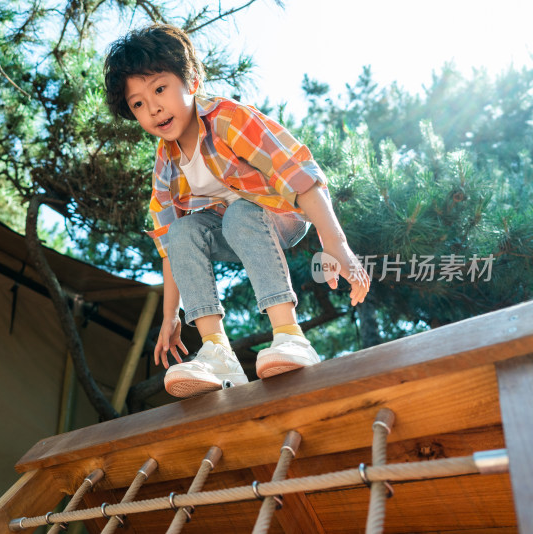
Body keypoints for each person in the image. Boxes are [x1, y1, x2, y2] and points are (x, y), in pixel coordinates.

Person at [104, 24, 370, 398]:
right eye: (138, 104)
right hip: (230, 230)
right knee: (182, 231)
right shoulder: (165, 166)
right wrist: (170, 316)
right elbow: (170, 245)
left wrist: (336, 244)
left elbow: (300, 175)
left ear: (191, 81)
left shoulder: (229, 120)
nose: (153, 108)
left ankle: (290, 336)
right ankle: (217, 353)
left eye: (160, 89)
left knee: (241, 213)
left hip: (279, 215)